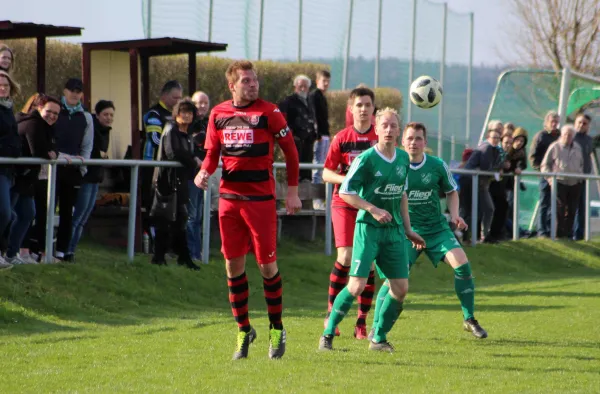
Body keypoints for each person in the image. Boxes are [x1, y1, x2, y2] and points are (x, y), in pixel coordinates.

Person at [194, 60, 301, 360]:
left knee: (267, 267)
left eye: (254, 80)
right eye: (246, 81)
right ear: (232, 86)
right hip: (229, 199)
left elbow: (291, 152)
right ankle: (243, 330)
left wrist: (292, 191)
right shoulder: (218, 113)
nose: (253, 85)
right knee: (232, 266)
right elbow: (212, 154)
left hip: (261, 201)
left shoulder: (270, 112)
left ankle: (276, 329)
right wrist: (203, 172)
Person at [318, 108, 425, 352]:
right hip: (368, 229)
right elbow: (345, 191)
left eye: (393, 126)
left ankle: (378, 338)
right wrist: (372, 208)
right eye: (384, 126)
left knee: (400, 288)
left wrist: (408, 229)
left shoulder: (402, 159)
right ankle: (327, 334)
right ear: (376, 129)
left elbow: (402, 195)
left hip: (394, 232)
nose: (388, 130)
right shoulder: (365, 159)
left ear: (399, 130)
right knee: (356, 285)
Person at [382, 122, 487, 338]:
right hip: (408, 232)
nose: (414, 143)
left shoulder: (437, 165)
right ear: (402, 141)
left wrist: (455, 214)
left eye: (418, 138)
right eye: (410, 138)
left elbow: (451, 191)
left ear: (425, 142)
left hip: (437, 230)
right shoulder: (395, 166)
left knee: (463, 266)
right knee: (394, 279)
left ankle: (469, 318)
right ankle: (377, 327)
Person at [321, 87, 378, 339]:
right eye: (359, 105)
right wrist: (347, 180)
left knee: (370, 260)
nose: (363, 109)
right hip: (344, 202)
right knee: (345, 255)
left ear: (373, 109)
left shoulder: (381, 138)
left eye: (367, 105)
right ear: (350, 109)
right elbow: (325, 173)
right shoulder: (341, 138)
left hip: (371, 204)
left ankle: (361, 320)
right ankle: (332, 311)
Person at [7, 95, 60, 265]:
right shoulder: (33, 123)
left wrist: (52, 153)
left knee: (27, 214)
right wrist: (49, 153)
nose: (52, 116)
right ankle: (6, 252)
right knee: (8, 215)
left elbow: (53, 149)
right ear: (39, 108)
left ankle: (12, 253)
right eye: (49, 111)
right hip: (17, 177)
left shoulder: (46, 127)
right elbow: (38, 150)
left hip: (27, 180)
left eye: (56, 114)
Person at [151, 98, 201, 271]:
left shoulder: (187, 135)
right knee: (165, 219)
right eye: (183, 112)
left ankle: (183, 257)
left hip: (180, 181)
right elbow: (173, 153)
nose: (186, 115)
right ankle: (159, 257)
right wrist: (194, 161)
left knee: (180, 219)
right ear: (177, 114)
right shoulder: (170, 130)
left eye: (189, 112)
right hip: (167, 181)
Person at [66, 100, 114, 259]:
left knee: (84, 217)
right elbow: (90, 151)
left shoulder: (107, 131)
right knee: (78, 216)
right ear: (97, 114)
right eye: (105, 114)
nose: (108, 118)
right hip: (86, 177)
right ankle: (65, 250)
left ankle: (72, 251)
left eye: (111, 115)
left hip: (96, 178)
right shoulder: (92, 128)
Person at [53, 78, 94, 261]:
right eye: (71, 90)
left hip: (73, 170)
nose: (75, 94)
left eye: (78, 91)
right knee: (47, 208)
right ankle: (39, 249)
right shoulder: (55, 110)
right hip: (52, 166)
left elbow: (87, 146)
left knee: (67, 213)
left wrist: (82, 168)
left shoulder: (86, 116)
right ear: (64, 91)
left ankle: (61, 250)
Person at [141, 80, 183, 245]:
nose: (178, 102)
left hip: (170, 170)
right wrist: (176, 149)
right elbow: (155, 139)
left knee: (170, 206)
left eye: (180, 98)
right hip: (152, 167)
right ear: (164, 95)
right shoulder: (154, 114)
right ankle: (149, 240)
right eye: (175, 98)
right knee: (152, 204)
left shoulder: (178, 116)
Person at [541, 124, 583, 238]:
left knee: (572, 209)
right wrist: (550, 179)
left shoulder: (578, 147)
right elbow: (545, 165)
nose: (567, 137)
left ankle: (568, 234)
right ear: (562, 135)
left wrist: (579, 177)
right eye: (565, 135)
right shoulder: (555, 146)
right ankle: (559, 234)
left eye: (570, 135)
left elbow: (581, 164)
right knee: (559, 209)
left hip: (574, 183)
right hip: (559, 182)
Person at [464, 124, 504, 242]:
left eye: (498, 138)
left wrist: (499, 169)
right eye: (493, 137)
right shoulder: (486, 148)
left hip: (481, 183)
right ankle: (466, 237)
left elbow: (494, 165)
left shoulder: (494, 149)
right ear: (488, 137)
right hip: (471, 182)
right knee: (470, 211)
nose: (496, 140)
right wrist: (495, 173)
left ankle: (483, 236)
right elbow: (486, 168)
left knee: (488, 208)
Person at [278, 74, 317, 182]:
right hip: (295, 139)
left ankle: (307, 194)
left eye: (305, 86)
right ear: (295, 86)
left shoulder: (310, 100)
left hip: (308, 140)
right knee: (295, 167)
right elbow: (281, 118)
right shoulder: (289, 101)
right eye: (300, 86)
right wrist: (288, 134)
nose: (303, 89)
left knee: (307, 168)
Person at [0, 70, 21, 269]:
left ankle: (3, 252)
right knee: (5, 213)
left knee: (12, 214)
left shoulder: (8, 108)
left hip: (8, 170)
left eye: (6, 85)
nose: (3, 88)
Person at [529, 111, 560, 237]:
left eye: (556, 122)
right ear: (547, 122)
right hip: (544, 175)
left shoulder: (559, 136)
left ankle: (551, 229)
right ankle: (542, 231)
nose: (554, 124)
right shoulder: (541, 136)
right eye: (552, 121)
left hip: (558, 176)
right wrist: (541, 170)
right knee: (544, 202)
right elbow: (533, 157)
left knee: (555, 203)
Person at [187, 91, 210, 261]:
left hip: (206, 174)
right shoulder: (188, 124)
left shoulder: (209, 123)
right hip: (191, 174)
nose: (202, 106)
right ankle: (191, 252)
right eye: (198, 103)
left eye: (205, 103)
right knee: (192, 216)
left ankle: (198, 252)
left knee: (200, 216)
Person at [310, 70, 331, 209]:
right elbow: (313, 116)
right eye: (323, 80)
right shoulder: (314, 96)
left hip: (325, 135)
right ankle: (316, 201)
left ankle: (319, 200)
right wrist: (316, 135)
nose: (326, 83)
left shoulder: (322, 97)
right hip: (319, 137)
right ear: (317, 81)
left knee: (323, 166)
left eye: (328, 81)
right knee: (317, 166)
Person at [572, 113, 593, 240]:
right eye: (579, 122)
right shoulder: (570, 138)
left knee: (582, 207)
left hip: (584, 178)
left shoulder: (589, 140)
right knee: (569, 207)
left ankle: (579, 235)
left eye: (584, 123)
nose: (581, 125)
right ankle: (567, 233)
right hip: (570, 178)